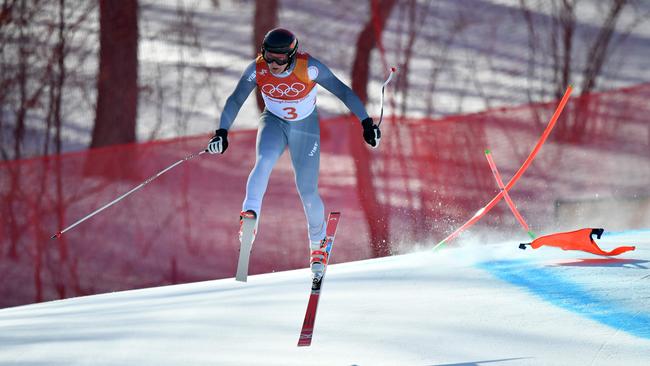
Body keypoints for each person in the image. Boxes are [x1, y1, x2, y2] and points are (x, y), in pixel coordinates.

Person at [206, 28, 380, 276]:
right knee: (264, 162)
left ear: (292, 55)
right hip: (274, 123)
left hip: (305, 130)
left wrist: (366, 122)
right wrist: (222, 132)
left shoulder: (309, 68)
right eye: (269, 56)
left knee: (307, 190)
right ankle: (250, 217)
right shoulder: (258, 69)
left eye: (280, 58)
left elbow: (343, 91)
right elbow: (235, 99)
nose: (274, 63)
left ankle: (317, 244)